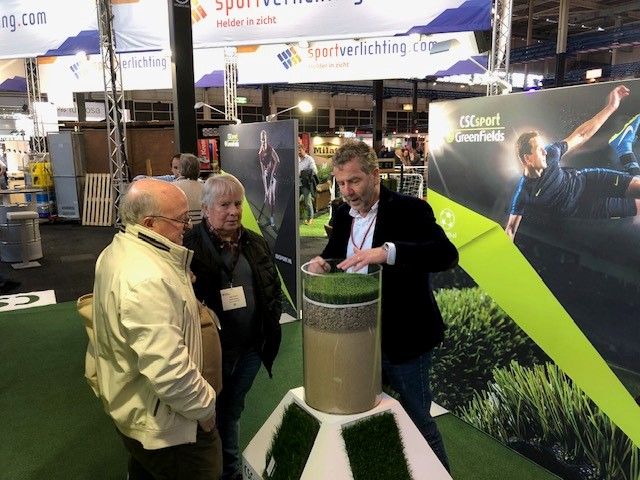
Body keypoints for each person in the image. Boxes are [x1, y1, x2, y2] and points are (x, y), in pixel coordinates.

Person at [307, 140, 458, 471]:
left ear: (375, 175)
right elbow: (336, 253)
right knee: (367, 415)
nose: (347, 191)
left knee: (418, 419)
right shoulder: (343, 213)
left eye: (354, 181)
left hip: (405, 339)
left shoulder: (410, 209)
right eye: (341, 183)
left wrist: (388, 252)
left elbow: (446, 255)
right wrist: (324, 262)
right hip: (356, 339)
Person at [89, 178, 222, 480]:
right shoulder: (147, 278)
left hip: (142, 410)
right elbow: (169, 371)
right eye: (180, 219)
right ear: (149, 223)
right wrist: (205, 409)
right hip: (170, 427)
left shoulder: (119, 250)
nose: (187, 226)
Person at [184, 174, 282, 480]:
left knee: (231, 410)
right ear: (205, 208)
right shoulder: (188, 247)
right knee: (206, 414)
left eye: (237, 204)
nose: (233, 211)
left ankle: (229, 471)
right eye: (224, 204)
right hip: (211, 352)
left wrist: (270, 321)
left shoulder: (255, 242)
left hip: (250, 349)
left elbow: (272, 287)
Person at [505, 85, 640, 240]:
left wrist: (611, 107)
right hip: (585, 208)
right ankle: (623, 148)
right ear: (527, 158)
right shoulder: (524, 193)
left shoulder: (551, 153)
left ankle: (623, 147)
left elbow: (581, 135)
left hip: (589, 181)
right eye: (538, 149)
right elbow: (510, 230)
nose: (544, 151)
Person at [174, 153, 205, 224]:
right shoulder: (206, 187)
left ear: (181, 169)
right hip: (202, 227)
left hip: (182, 227)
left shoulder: (173, 187)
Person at [257, 130, 279, 227]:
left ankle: (272, 219)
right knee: (268, 197)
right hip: (267, 175)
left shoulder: (270, 149)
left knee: (272, 199)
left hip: (273, 175)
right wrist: (266, 189)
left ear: (266, 139)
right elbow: (263, 173)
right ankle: (271, 218)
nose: (263, 141)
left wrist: (272, 174)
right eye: (262, 139)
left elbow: (277, 161)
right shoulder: (260, 153)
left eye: (264, 139)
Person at [298, 142, 318, 225]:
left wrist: (303, 173)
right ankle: (297, 218)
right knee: (295, 201)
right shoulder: (296, 159)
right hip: (297, 184)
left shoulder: (309, 159)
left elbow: (314, 171)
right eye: (297, 151)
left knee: (307, 202)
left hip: (305, 184)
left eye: (300, 150)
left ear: (304, 150)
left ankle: (310, 218)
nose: (299, 152)